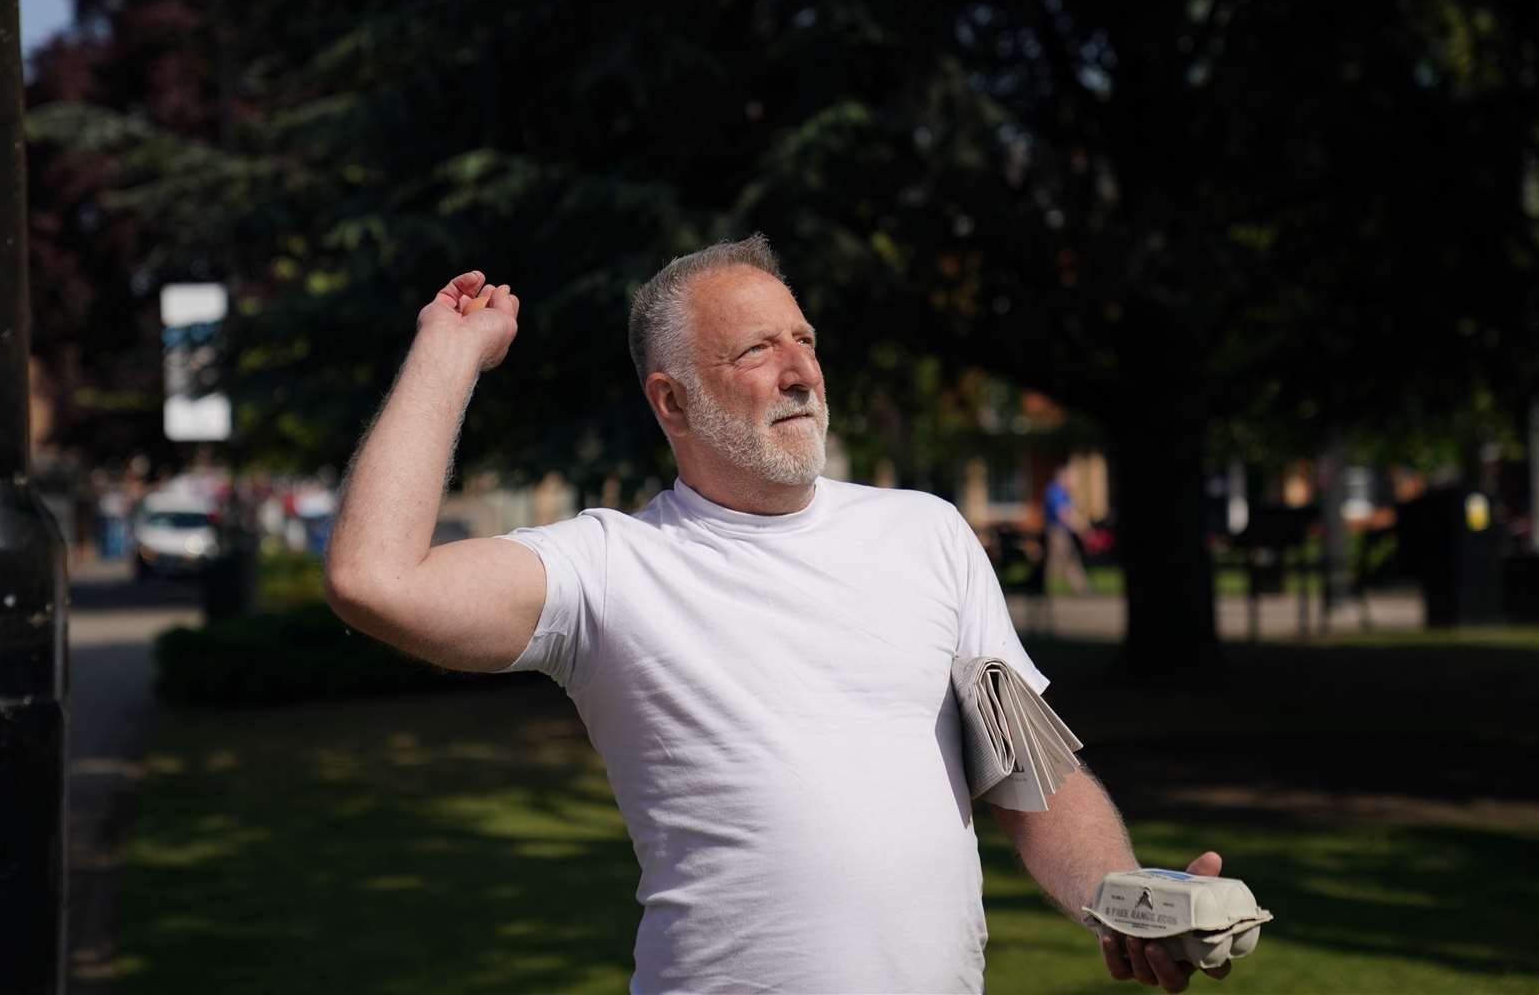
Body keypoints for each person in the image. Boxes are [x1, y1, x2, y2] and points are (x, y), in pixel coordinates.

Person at [324, 235, 1230, 994]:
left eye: (804, 339)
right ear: (672, 400)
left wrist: (1121, 894)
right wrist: (447, 355)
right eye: (755, 351)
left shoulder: (928, 535)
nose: (801, 372)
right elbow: (376, 580)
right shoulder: (608, 569)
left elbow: (1029, 776)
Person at [1044, 462, 1092, 594]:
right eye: (1074, 479)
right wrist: (1082, 529)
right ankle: (1082, 589)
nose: (1076, 483)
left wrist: (1081, 524)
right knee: (1068, 559)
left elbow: (1072, 512)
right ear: (1066, 477)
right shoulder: (1056, 492)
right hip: (1057, 532)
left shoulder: (1064, 493)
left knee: (1057, 562)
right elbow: (1064, 514)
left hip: (1062, 532)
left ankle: (1044, 588)